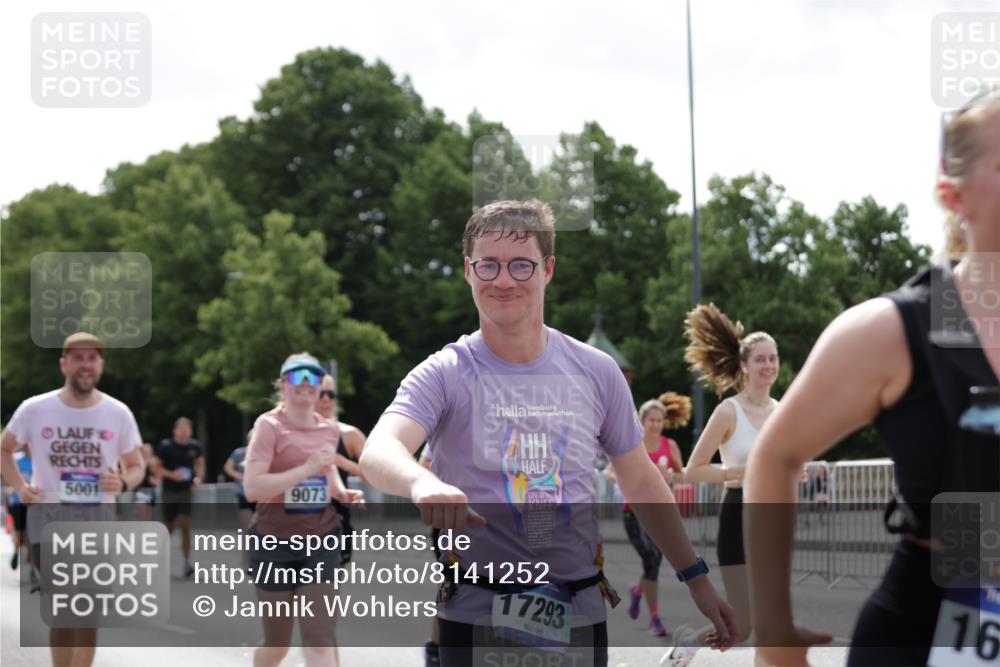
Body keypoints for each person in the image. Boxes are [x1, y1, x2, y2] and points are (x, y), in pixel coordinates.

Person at [359, 199, 736, 667]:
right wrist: (421, 481)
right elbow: (380, 448)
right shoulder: (446, 372)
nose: (503, 279)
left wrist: (696, 578)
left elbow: (640, 480)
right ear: (468, 271)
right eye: (488, 265)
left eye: (521, 265)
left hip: (575, 609)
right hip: (476, 613)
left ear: (548, 269)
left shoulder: (596, 371)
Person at [745, 87, 1000, 667]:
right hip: (926, 628)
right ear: (952, 193)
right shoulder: (889, 331)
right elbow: (776, 457)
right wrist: (774, 636)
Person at [0, 332, 145, 667]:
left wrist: (122, 481)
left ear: (101, 365)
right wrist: (21, 487)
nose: (86, 364)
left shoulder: (117, 412)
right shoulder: (35, 409)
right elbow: (5, 448)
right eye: (78, 358)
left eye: (92, 358)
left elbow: (136, 466)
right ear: (64, 364)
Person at [663, 304, 780, 666]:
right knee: (742, 627)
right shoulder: (729, 411)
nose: (768, 365)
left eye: (773, 358)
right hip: (738, 516)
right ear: (744, 365)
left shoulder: (780, 409)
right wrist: (741, 474)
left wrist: (793, 473)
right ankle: (686, 646)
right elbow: (695, 470)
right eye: (760, 359)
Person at [242, 353, 364, 667]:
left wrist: (340, 491)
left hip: (321, 539)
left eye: (314, 376)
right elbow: (253, 488)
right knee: (277, 644)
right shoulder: (268, 426)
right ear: (283, 385)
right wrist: (304, 470)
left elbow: (326, 469)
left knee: (319, 637)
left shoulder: (328, 429)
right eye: (298, 377)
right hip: (273, 542)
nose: (307, 384)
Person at [607, 396, 688, 637]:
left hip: (659, 514)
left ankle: (642, 598)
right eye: (651, 420)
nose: (656, 424)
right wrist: (626, 479)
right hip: (634, 513)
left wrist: (669, 475)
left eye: (659, 420)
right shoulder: (633, 444)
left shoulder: (669, 445)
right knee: (651, 557)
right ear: (641, 421)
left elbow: (680, 476)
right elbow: (611, 472)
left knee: (653, 561)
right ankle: (653, 617)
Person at [151, 417, 204, 578]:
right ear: (175, 430)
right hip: (169, 491)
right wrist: (172, 475)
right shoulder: (166, 446)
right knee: (170, 527)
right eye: (181, 428)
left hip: (185, 491)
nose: (184, 431)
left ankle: (187, 562)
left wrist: (199, 478)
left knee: (185, 525)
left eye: (187, 428)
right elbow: (155, 466)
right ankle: (159, 557)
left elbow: (200, 464)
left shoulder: (194, 446)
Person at [223, 432, 255, 530]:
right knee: (248, 527)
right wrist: (238, 476)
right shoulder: (239, 453)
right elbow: (228, 467)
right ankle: (247, 545)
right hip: (243, 493)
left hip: (260, 495)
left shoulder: (266, 454)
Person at [132, 442, 158, 522]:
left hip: (150, 491)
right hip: (139, 490)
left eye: (148, 451)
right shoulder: (137, 462)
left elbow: (158, 479)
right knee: (141, 508)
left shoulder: (154, 462)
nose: (146, 453)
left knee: (148, 516)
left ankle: (145, 529)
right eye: (144, 451)